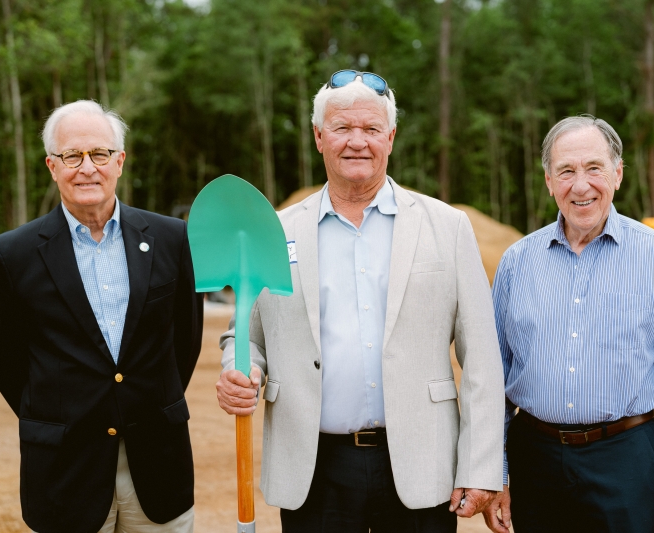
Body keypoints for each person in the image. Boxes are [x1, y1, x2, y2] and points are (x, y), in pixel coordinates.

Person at [216, 70, 505, 532]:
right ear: (318, 136)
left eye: (371, 129)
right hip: (313, 467)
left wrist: (482, 465)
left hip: (421, 463)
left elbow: (483, 360)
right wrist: (242, 367)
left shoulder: (447, 228)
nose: (357, 141)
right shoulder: (275, 231)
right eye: (342, 128)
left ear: (390, 138)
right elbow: (245, 336)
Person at [483, 115, 654, 533]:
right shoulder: (517, 263)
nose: (581, 184)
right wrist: (495, 471)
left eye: (594, 168)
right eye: (567, 171)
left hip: (627, 460)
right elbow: (491, 379)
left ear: (618, 175)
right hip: (534, 460)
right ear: (549, 181)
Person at [0, 100, 203, 533]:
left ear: (119, 162)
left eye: (99, 154)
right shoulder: (12, 255)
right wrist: (59, 413)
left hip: (158, 466)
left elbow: (185, 341)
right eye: (71, 156)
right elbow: (5, 361)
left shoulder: (173, 239)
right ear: (51, 166)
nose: (87, 168)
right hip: (66, 473)